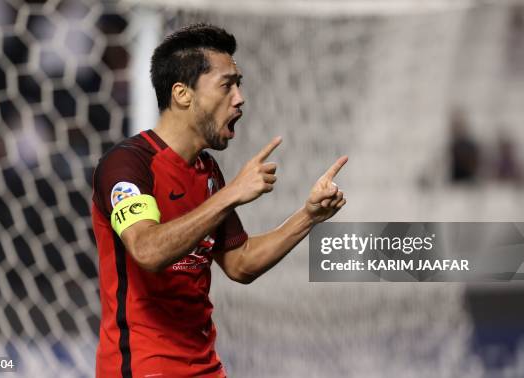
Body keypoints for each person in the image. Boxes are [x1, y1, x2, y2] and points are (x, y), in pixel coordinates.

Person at [91, 23, 347, 377]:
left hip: (205, 365)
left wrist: (308, 216)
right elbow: (147, 251)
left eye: (238, 85)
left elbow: (240, 264)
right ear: (183, 94)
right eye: (227, 85)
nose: (239, 98)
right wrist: (231, 195)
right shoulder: (128, 165)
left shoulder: (207, 172)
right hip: (143, 367)